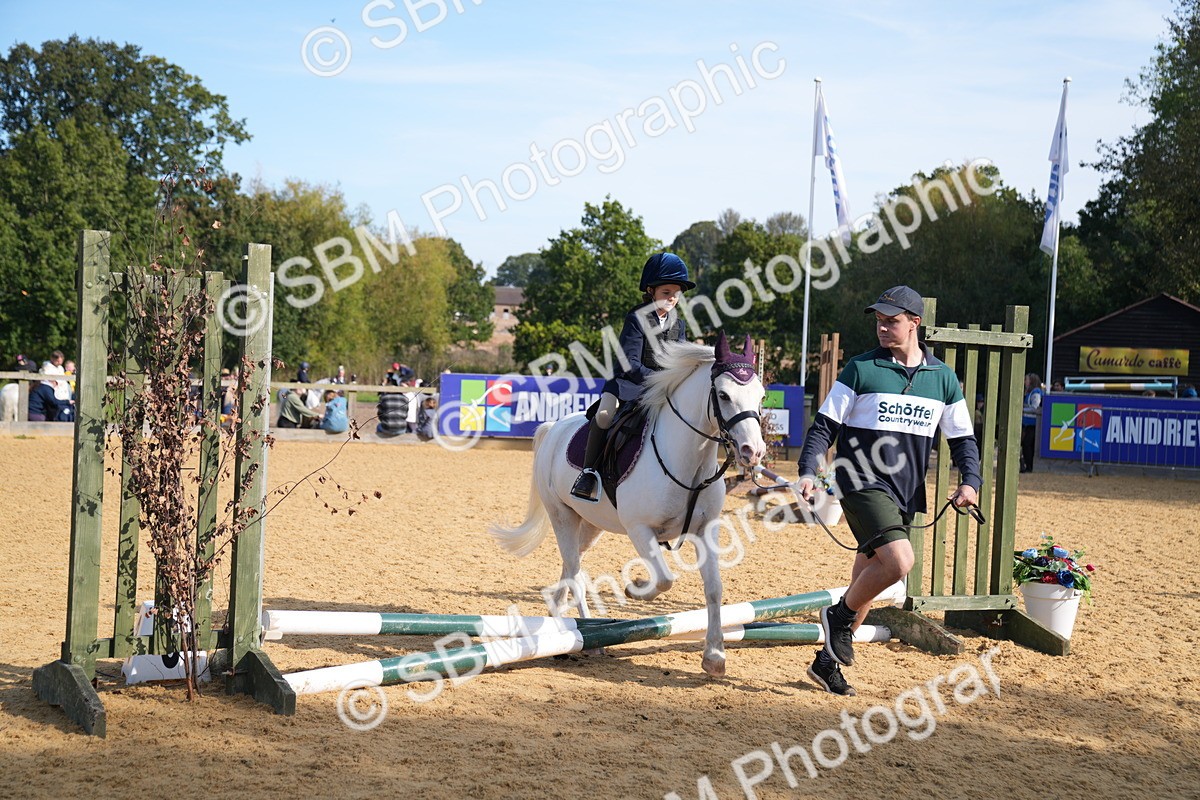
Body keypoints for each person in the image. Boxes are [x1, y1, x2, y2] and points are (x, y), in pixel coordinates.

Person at [795, 286, 981, 697]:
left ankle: (826, 663)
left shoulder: (943, 380)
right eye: (878, 320)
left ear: (915, 323)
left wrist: (970, 482)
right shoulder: (861, 369)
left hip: (906, 492)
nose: (882, 327)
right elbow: (824, 427)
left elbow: (964, 440)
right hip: (860, 482)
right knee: (899, 563)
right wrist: (808, 470)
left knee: (867, 580)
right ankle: (836, 617)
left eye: (891, 321)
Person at [570, 252, 694, 502]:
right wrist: (661, 381)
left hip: (660, 389)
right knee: (605, 416)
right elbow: (630, 364)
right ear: (651, 291)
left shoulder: (678, 324)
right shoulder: (637, 319)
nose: (672, 298)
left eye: (676, 293)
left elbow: (679, 361)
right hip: (627, 384)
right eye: (666, 292)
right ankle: (588, 473)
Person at [1020, 373, 1043, 473]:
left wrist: (1022, 409)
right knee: (1026, 445)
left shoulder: (1036, 392)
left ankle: (1029, 466)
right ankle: (1027, 465)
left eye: (1027, 380)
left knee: (1028, 444)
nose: (1025, 382)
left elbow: (1035, 407)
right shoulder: (1029, 392)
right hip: (1028, 423)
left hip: (1033, 424)